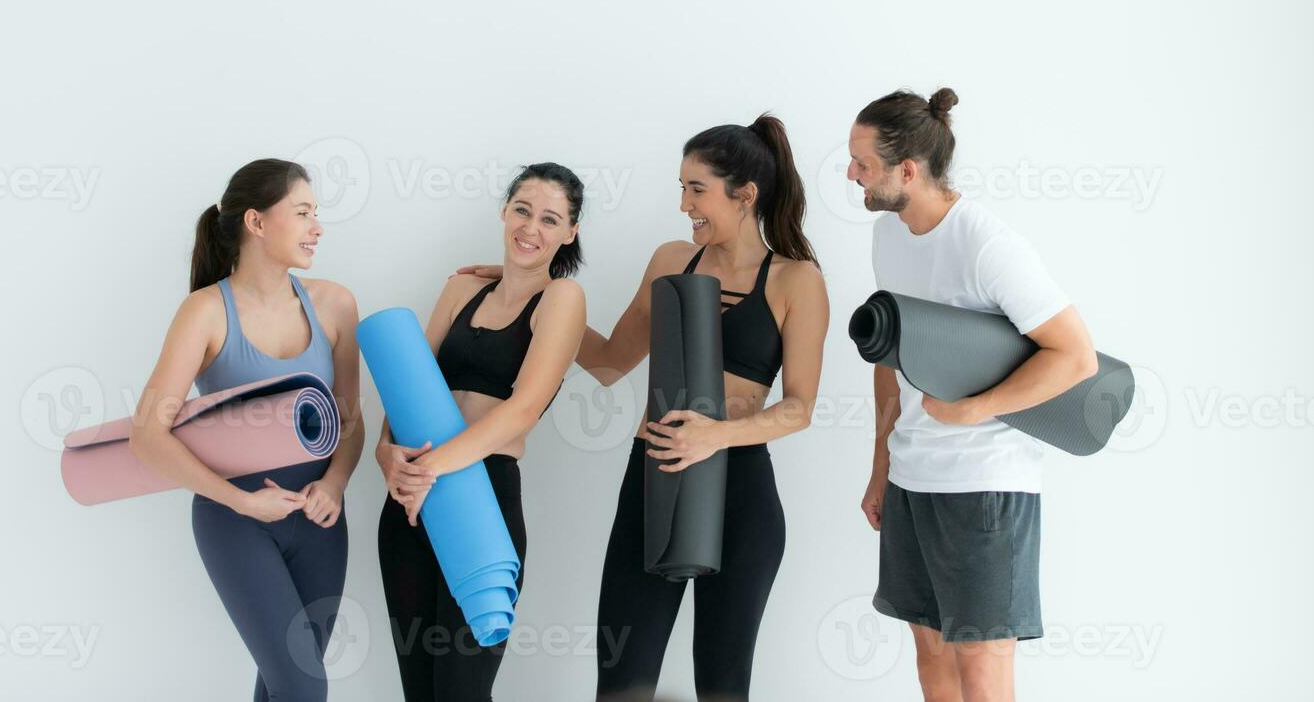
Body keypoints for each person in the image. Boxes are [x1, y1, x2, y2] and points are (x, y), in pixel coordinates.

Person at [463, 115, 829, 701]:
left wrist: (714, 435)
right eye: (681, 188)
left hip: (741, 491)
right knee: (623, 680)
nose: (685, 204)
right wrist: (534, 290)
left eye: (696, 189)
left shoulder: (795, 279)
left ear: (746, 194)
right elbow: (610, 363)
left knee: (723, 684)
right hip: (652, 477)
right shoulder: (670, 261)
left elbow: (800, 408)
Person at [848, 88, 1099, 702]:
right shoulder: (890, 237)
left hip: (985, 484)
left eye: (862, 164)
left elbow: (1075, 354)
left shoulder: (987, 243)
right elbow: (891, 362)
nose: (851, 173)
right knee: (931, 660)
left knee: (981, 671)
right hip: (913, 478)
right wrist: (882, 466)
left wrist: (974, 409)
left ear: (908, 170)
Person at [130, 158, 364, 701]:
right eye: (303, 212)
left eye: (316, 213)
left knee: (285, 686)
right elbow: (148, 434)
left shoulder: (335, 304)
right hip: (235, 522)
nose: (317, 227)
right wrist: (240, 502)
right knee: (303, 687)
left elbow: (350, 417)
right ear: (257, 222)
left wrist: (334, 485)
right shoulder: (205, 312)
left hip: (319, 521)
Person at [376, 162, 588, 702]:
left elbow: (522, 411)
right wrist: (385, 455)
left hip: (485, 495)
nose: (531, 227)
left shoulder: (563, 299)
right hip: (411, 501)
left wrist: (427, 467)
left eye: (550, 218)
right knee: (418, 690)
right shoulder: (461, 289)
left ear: (570, 232)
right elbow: (407, 385)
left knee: (463, 691)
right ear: (503, 211)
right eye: (522, 210)